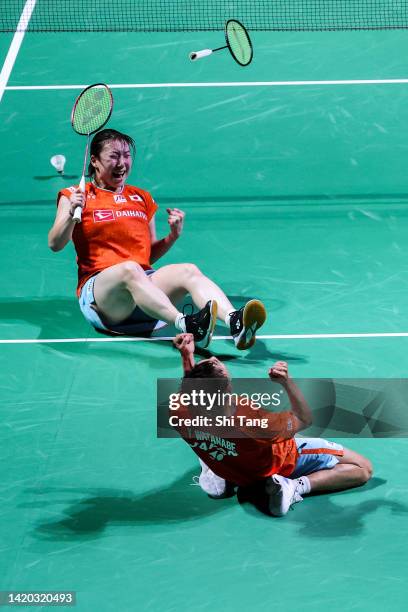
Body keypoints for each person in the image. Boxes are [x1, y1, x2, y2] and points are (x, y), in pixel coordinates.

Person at [48, 128, 266, 348]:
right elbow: (55, 244)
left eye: (126, 155)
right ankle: (187, 324)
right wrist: (70, 214)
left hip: (142, 289)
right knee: (129, 269)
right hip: (103, 295)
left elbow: (148, 254)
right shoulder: (74, 195)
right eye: (114, 156)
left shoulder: (141, 197)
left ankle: (235, 322)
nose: (122, 163)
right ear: (94, 161)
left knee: (187, 270)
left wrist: (172, 237)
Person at [172, 333, 373, 517]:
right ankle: (294, 487)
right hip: (273, 464)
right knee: (362, 468)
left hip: (229, 464)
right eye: (217, 364)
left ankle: (218, 475)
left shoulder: (179, 411)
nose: (215, 358)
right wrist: (287, 382)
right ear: (227, 389)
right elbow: (304, 419)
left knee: (209, 441)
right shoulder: (255, 422)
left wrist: (187, 357)